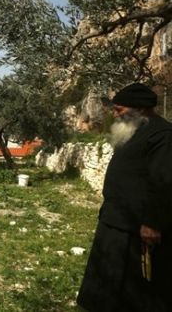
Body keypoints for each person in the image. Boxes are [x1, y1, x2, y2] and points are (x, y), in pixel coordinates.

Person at [77, 82, 172, 311]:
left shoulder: (163, 135)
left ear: (139, 109)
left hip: (138, 227)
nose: (115, 114)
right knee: (106, 285)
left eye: (119, 110)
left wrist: (152, 223)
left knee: (135, 291)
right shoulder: (132, 132)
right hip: (115, 221)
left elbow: (164, 182)